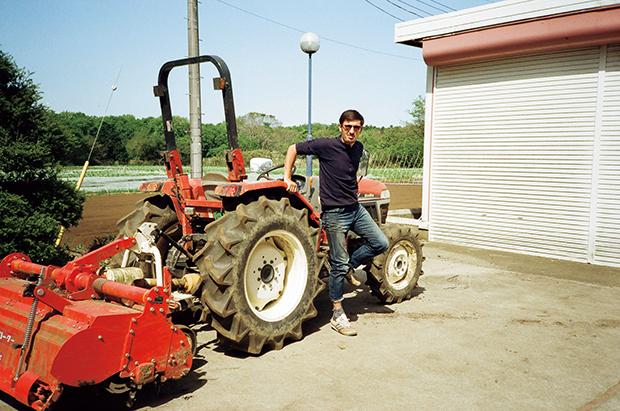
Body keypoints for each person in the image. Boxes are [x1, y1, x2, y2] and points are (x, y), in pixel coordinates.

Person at [283, 109, 388, 336]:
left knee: (381, 242)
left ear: (361, 129)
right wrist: (287, 177)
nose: (352, 131)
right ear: (340, 127)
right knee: (338, 263)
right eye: (348, 126)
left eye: (356, 127)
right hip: (334, 214)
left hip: (355, 208)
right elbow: (294, 148)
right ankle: (337, 313)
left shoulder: (358, 148)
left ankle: (350, 265)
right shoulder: (326, 145)